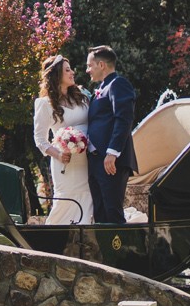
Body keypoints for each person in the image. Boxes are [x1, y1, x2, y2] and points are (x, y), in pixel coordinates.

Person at [32, 55, 90, 225]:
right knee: (68, 200)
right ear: (56, 75)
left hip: (87, 159)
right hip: (65, 162)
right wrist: (58, 154)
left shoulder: (82, 96)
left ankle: (84, 239)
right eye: (67, 70)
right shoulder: (45, 104)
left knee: (88, 197)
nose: (72, 72)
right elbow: (39, 139)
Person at [84, 46, 138, 224]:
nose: (87, 70)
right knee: (100, 214)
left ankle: (123, 252)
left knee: (112, 213)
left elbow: (123, 118)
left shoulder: (118, 84)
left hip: (110, 161)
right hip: (96, 160)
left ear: (101, 65)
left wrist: (112, 152)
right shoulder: (101, 88)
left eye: (90, 65)